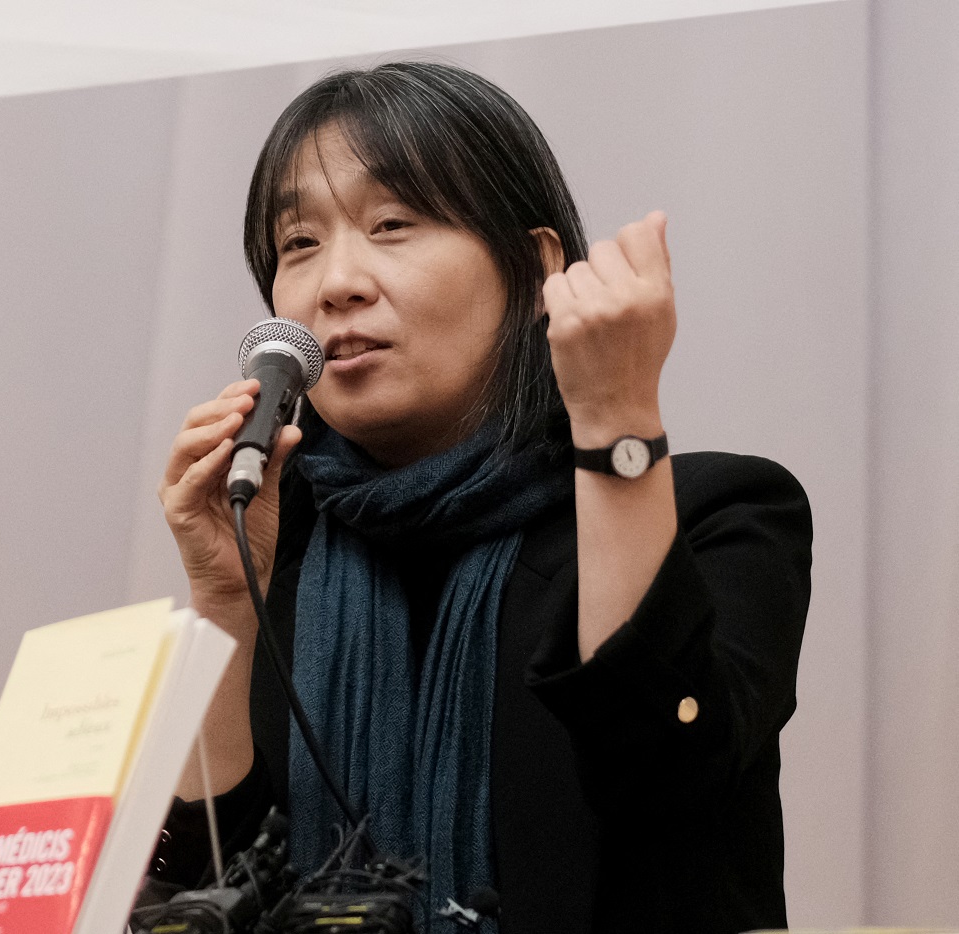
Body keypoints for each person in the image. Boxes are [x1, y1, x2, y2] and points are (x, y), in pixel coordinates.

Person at [151, 61, 812, 934]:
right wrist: (226, 603)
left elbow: (665, 784)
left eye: (392, 224)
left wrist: (615, 417)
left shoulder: (715, 513)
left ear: (536, 266)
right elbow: (209, 883)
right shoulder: (276, 533)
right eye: (300, 244)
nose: (336, 282)